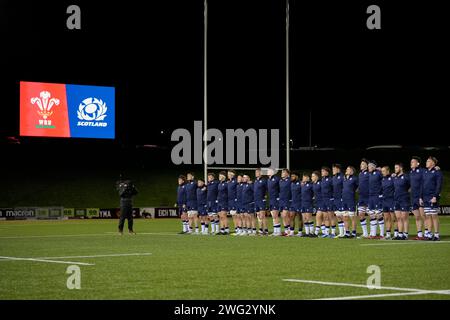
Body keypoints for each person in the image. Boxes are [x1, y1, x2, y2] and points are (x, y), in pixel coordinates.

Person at [422, 156, 443, 241]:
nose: (426, 162)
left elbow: (439, 185)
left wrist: (435, 196)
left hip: (433, 197)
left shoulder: (437, 172)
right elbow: (422, 186)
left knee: (434, 216)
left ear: (433, 163)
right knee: (428, 216)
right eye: (426, 161)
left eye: (428, 161)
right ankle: (429, 234)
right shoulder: (425, 172)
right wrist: (421, 197)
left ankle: (437, 235)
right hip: (425, 197)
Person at [410, 156, 427, 240]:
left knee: (423, 215)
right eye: (411, 161)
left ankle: (427, 233)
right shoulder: (410, 172)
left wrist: (436, 168)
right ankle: (419, 234)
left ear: (418, 163)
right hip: (413, 197)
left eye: (413, 162)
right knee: (417, 216)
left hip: (421, 197)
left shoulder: (422, 171)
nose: (411, 163)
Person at [393, 163, 410, 240]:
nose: (395, 169)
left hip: (404, 199)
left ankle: (405, 234)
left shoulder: (406, 177)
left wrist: (406, 193)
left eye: (396, 168)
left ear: (401, 168)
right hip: (396, 200)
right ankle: (400, 234)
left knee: (404, 218)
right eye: (395, 168)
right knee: (398, 218)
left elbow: (411, 186)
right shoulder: (395, 177)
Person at [367, 161, 384, 239]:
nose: (368, 167)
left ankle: (382, 234)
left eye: (369, 166)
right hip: (371, 197)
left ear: (373, 166)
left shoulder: (379, 173)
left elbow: (385, 178)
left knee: (379, 214)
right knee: (371, 215)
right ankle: (373, 234)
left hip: (378, 196)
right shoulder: (369, 174)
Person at [342, 166, 358, 238]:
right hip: (344, 200)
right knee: (345, 217)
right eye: (347, 169)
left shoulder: (355, 178)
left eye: (348, 169)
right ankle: (347, 232)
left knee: (352, 217)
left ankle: (354, 232)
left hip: (351, 200)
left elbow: (359, 187)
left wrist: (355, 192)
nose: (347, 170)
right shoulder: (344, 179)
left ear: (352, 171)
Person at [381, 166, 396, 240]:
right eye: (382, 171)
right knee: (386, 218)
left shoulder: (393, 178)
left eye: (383, 171)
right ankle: (388, 234)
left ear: (388, 171)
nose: (382, 172)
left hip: (392, 200)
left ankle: (396, 234)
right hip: (384, 201)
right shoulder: (383, 179)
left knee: (394, 218)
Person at [358, 159, 370, 238]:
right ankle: (365, 233)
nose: (361, 165)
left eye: (363, 164)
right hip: (361, 197)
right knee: (361, 214)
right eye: (361, 164)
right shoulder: (360, 174)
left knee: (372, 215)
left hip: (369, 197)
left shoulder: (370, 173)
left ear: (367, 165)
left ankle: (373, 233)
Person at [320, 167, 334, 238]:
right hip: (323, 200)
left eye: (323, 171)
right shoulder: (322, 179)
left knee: (331, 216)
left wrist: (332, 198)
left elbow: (334, 189)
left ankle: (333, 233)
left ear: (327, 172)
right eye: (321, 171)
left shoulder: (331, 179)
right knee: (325, 217)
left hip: (329, 200)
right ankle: (327, 233)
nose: (322, 172)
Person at [254, 168, 268, 235]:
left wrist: (265, 195)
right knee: (258, 216)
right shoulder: (255, 181)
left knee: (263, 215)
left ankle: (266, 230)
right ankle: (260, 230)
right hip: (256, 200)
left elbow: (267, 188)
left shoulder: (264, 180)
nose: (256, 173)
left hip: (261, 200)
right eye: (255, 172)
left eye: (257, 172)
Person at [332, 164, 345, 238]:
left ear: (338, 169)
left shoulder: (342, 177)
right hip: (335, 199)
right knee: (338, 216)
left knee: (342, 215)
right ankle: (341, 233)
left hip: (341, 198)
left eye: (334, 169)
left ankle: (345, 232)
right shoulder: (334, 177)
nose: (333, 170)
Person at [267, 168, 281, 236]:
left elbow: (281, 188)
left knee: (275, 215)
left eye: (269, 170)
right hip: (271, 199)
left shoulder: (277, 179)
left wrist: (278, 197)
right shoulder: (268, 180)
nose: (267, 171)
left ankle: (278, 232)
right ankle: (275, 231)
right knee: (273, 215)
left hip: (276, 199)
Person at [301, 173, 315, 237]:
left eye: (304, 177)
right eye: (303, 177)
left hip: (308, 203)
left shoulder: (311, 185)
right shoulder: (303, 185)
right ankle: (307, 233)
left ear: (308, 178)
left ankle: (311, 232)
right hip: (303, 203)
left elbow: (314, 193)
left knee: (309, 217)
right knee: (304, 218)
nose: (303, 178)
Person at [312, 171, 326, 237]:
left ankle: (316, 233)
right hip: (317, 202)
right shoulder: (313, 184)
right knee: (321, 218)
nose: (312, 177)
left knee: (318, 216)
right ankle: (324, 233)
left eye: (313, 176)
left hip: (322, 202)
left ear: (317, 177)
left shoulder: (320, 183)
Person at [279, 168, 292, 236]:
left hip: (287, 200)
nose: (282, 173)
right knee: (282, 216)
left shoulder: (290, 180)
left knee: (285, 215)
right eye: (282, 172)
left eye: (283, 172)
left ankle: (289, 230)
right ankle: (286, 230)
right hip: (281, 200)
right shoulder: (280, 181)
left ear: (287, 173)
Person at [290, 171, 303, 237]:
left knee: (299, 218)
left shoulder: (301, 183)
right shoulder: (291, 184)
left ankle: (300, 232)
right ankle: (292, 232)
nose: (291, 177)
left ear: (297, 177)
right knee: (291, 216)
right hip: (293, 203)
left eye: (293, 176)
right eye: (291, 176)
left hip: (299, 203)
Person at [227, 170, 238, 234]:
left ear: (232, 174)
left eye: (229, 174)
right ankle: (236, 229)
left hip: (234, 200)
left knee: (236, 215)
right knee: (233, 216)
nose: (228, 175)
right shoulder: (229, 182)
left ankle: (240, 229)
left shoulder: (235, 181)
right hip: (230, 201)